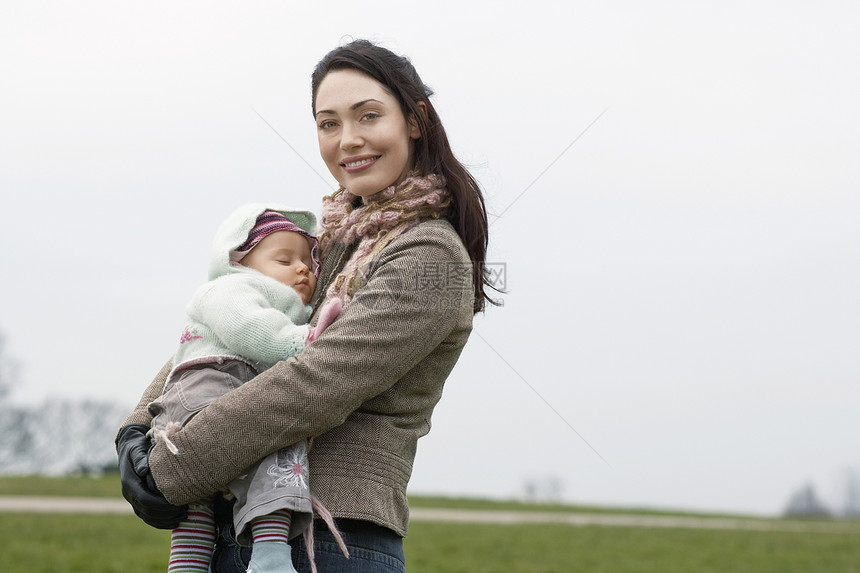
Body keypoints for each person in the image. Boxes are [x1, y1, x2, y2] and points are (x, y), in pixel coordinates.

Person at [117, 38, 496, 573]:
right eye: (328, 123)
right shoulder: (328, 240)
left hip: (330, 539)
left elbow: (317, 382)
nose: (349, 140)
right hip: (236, 526)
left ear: (416, 120)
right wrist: (135, 431)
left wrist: (173, 467)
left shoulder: (428, 253)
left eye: (368, 116)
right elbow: (225, 322)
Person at [145, 204, 343, 573]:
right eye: (284, 259)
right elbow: (253, 332)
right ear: (237, 261)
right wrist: (307, 339)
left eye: (307, 261)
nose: (302, 268)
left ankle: (187, 566)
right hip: (214, 381)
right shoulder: (229, 288)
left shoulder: (276, 300)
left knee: (198, 495)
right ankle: (270, 556)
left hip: (206, 390)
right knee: (275, 448)